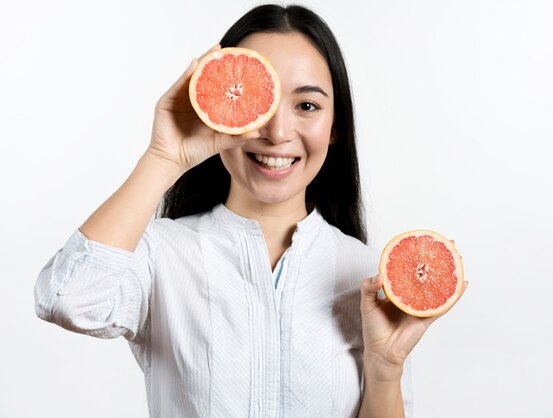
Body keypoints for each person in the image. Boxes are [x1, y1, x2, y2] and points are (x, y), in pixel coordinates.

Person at [35, 4, 465, 417]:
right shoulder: (160, 256)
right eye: (260, 101)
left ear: (335, 127)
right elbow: (67, 301)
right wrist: (164, 157)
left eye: (307, 105)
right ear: (218, 109)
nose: (277, 133)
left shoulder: (367, 274)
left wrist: (385, 367)